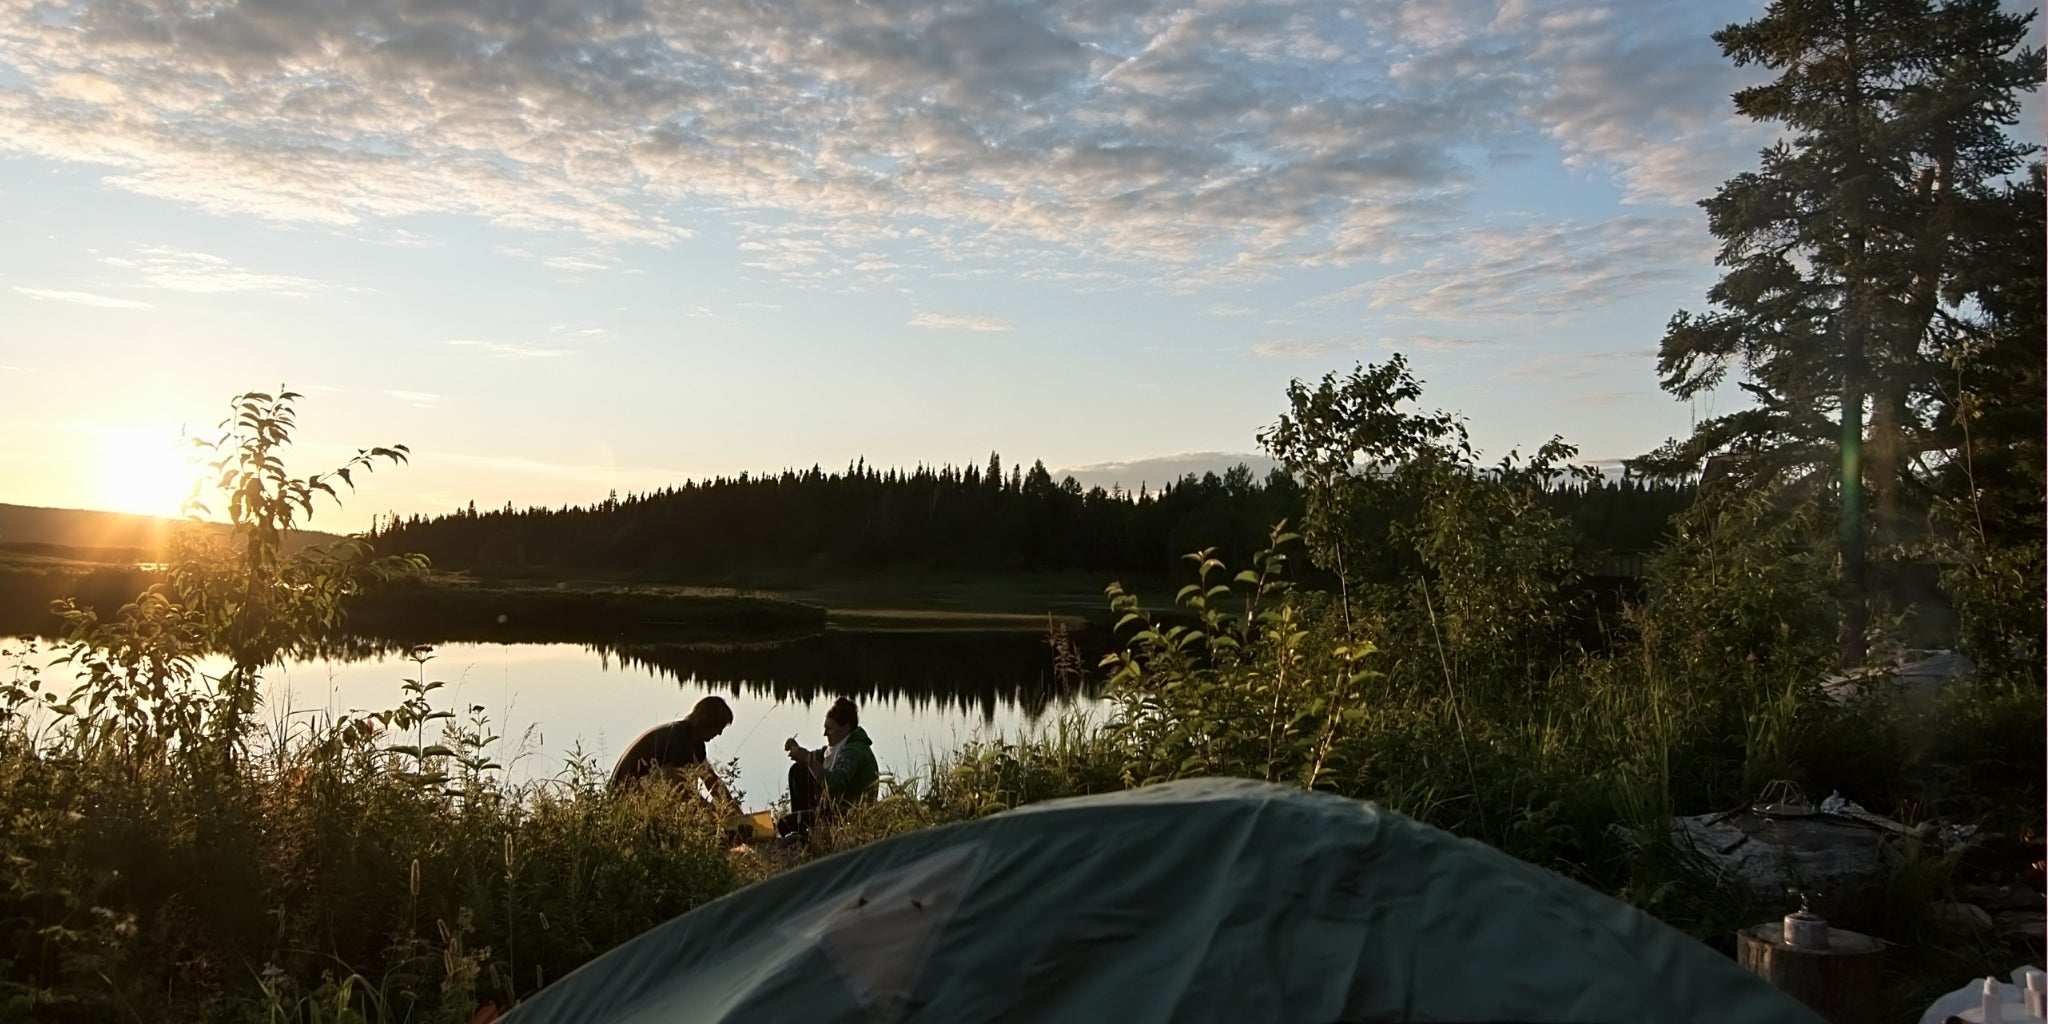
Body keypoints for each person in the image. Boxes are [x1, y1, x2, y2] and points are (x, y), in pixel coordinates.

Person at [608, 695, 736, 810]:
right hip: (623, 800)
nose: (719, 733)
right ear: (708, 722)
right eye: (719, 727)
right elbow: (683, 792)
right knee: (678, 778)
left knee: (693, 771)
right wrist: (714, 814)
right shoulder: (678, 739)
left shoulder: (695, 742)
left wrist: (734, 812)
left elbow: (711, 781)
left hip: (639, 793)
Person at [779, 697, 878, 837]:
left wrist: (808, 759)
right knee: (798, 771)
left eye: (830, 729)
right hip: (833, 810)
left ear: (845, 728)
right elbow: (817, 757)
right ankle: (804, 832)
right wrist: (797, 749)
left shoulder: (853, 752)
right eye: (825, 728)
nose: (825, 734)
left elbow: (835, 786)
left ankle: (808, 834)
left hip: (848, 816)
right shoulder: (839, 747)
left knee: (784, 825)